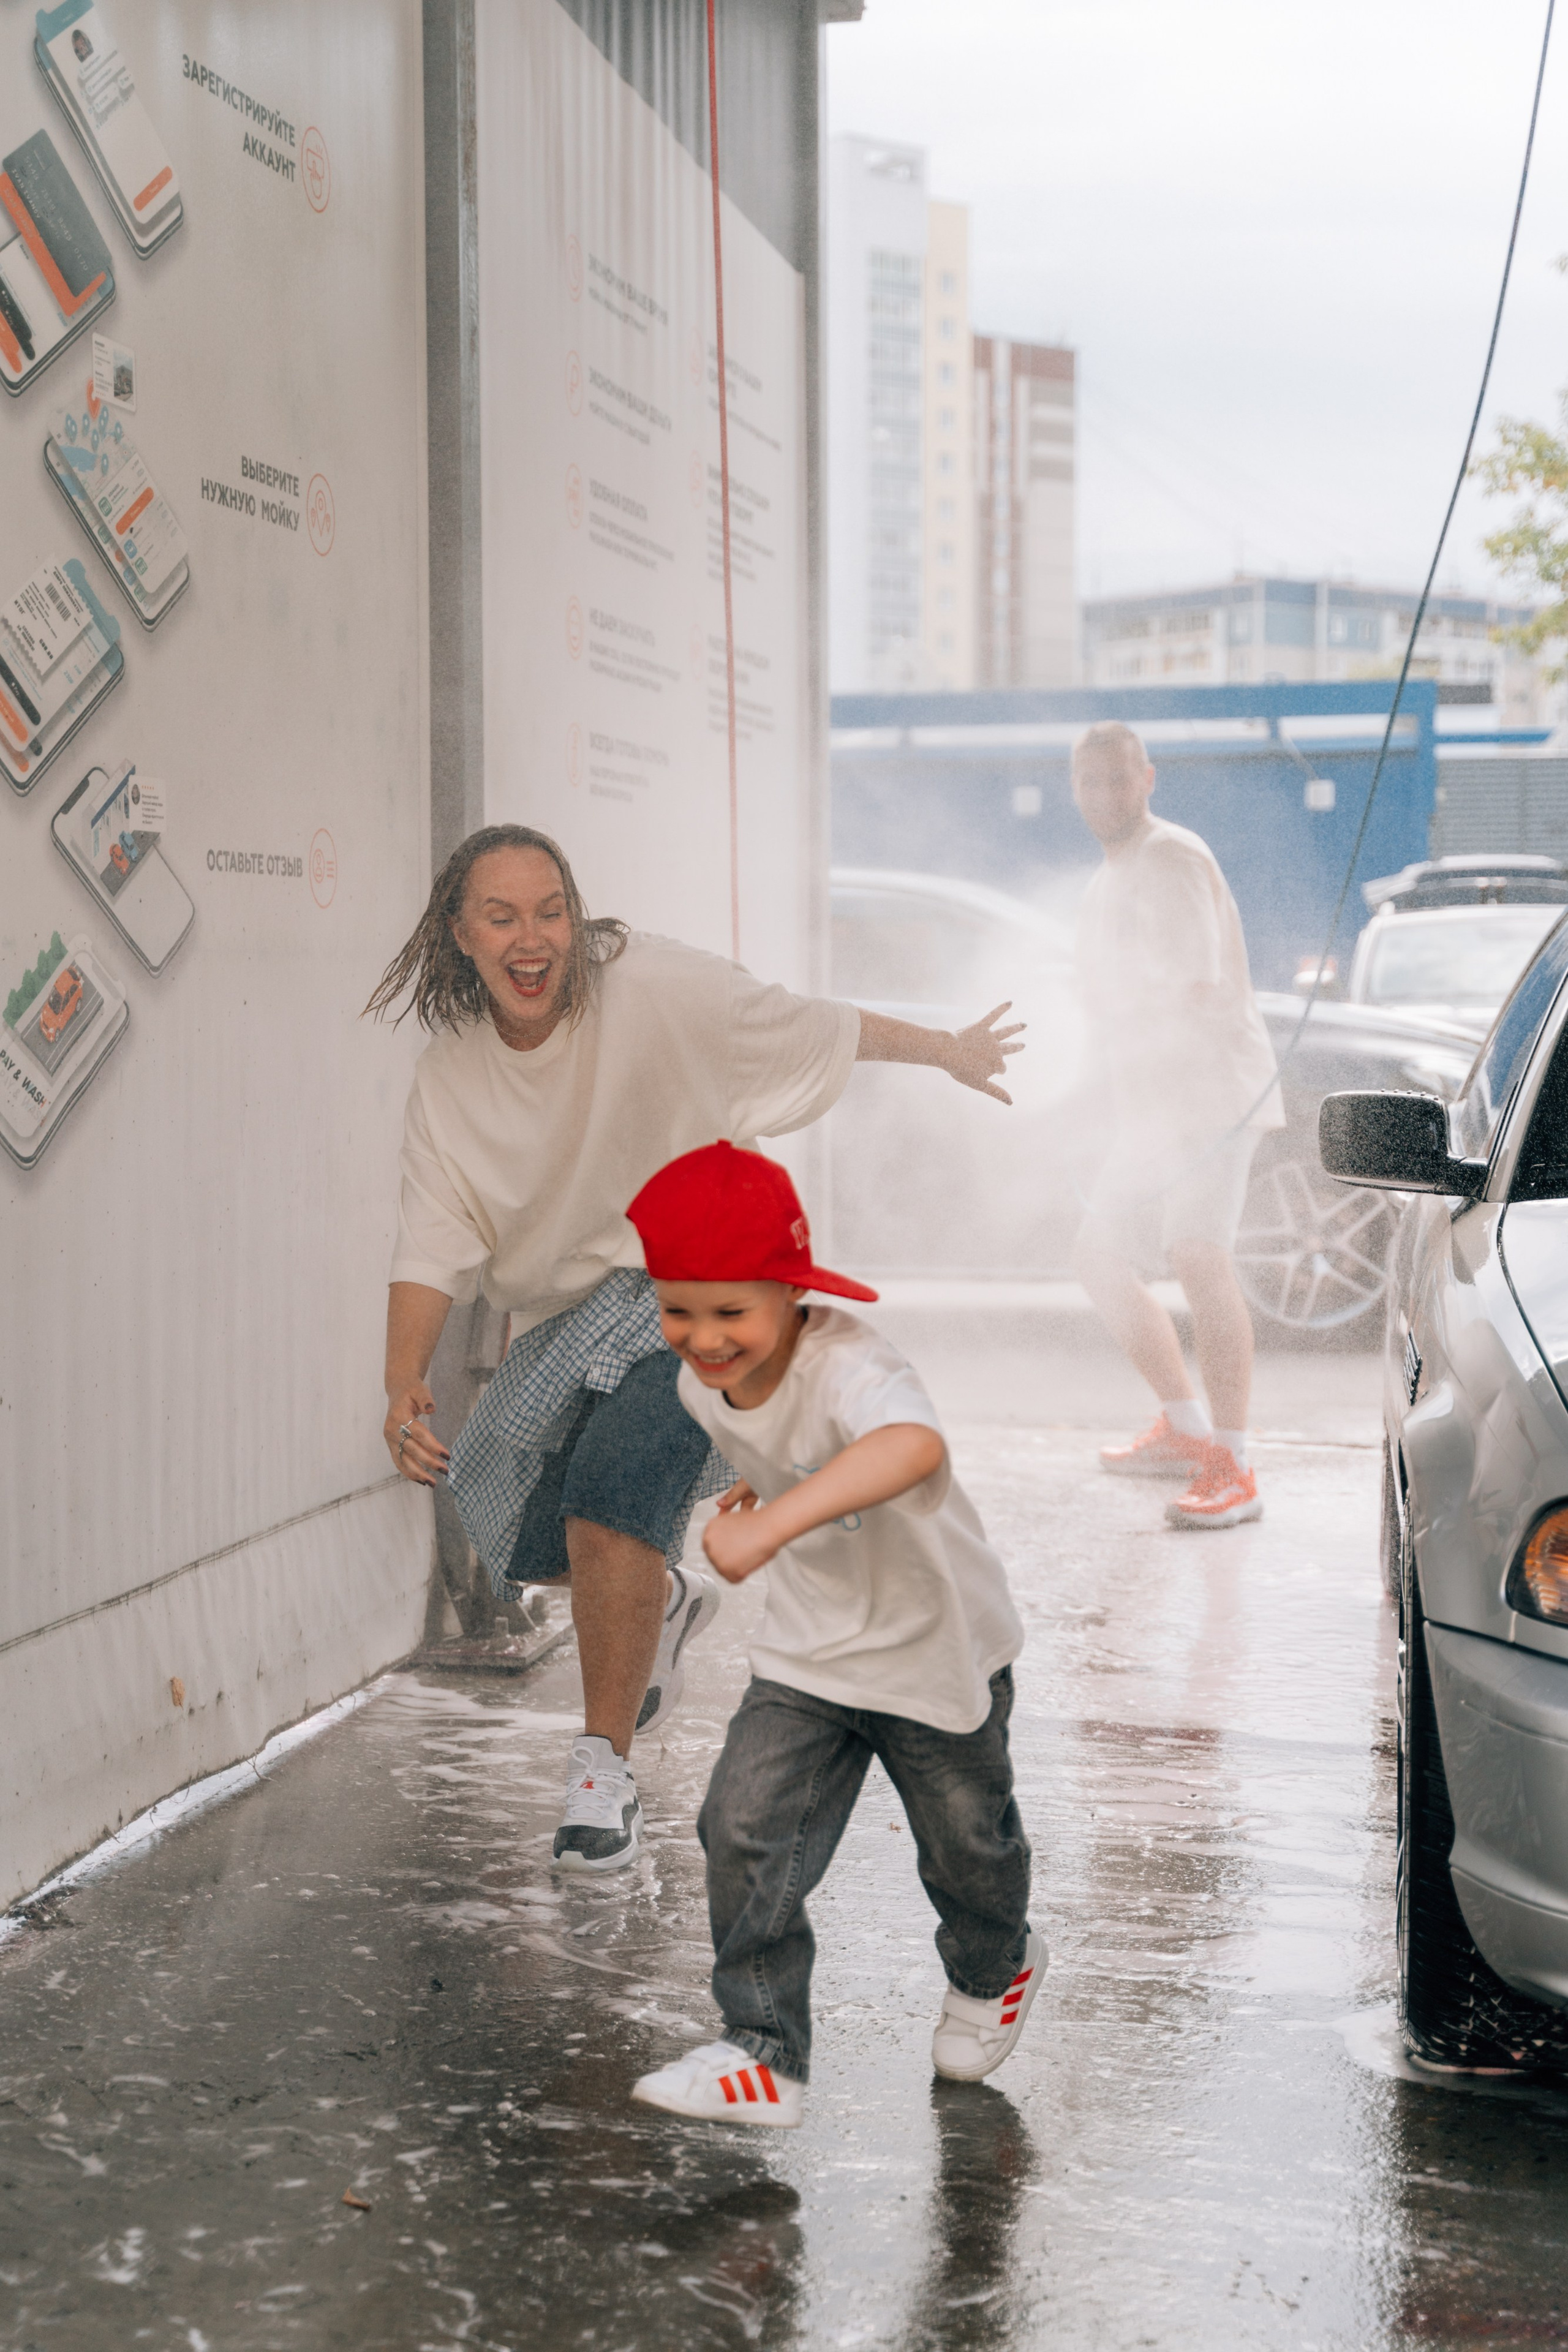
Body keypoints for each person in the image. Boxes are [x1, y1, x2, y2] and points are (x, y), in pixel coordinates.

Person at [368, 824, 1024, 1871]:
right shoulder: (450, 1084)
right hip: (573, 1323)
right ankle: (662, 1600)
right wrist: (404, 1379)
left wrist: (944, 1050)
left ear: (575, 920)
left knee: (614, 1491)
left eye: (550, 911)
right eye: (501, 916)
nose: (531, 938)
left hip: (706, 1289)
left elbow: (816, 1026)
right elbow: (428, 1245)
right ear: (460, 936)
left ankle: (600, 1770)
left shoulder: (656, 989)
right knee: (523, 1525)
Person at [624, 1140, 1039, 2128]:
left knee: (965, 1848)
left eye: (733, 1311)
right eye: (679, 1308)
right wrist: (768, 1484)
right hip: (813, 1651)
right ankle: (761, 2051)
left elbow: (911, 1445)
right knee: (741, 1823)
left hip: (932, 1643)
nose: (704, 1337)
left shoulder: (854, 1362)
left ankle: (997, 1967)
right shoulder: (700, 1385)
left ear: (791, 1292)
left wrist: (771, 1521)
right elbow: (777, 1442)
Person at [1069, 722, 1283, 1529]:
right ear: (1075, 790)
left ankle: (1235, 1464)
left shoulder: (1174, 856)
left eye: (1119, 780)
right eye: (1090, 783)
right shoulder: (1107, 878)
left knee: (1199, 1256)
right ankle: (1185, 1429)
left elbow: (1197, 984)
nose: (1105, 797)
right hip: (1154, 1109)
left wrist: (1109, 1005)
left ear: (1148, 778)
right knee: (1097, 1256)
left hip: (1212, 1098)